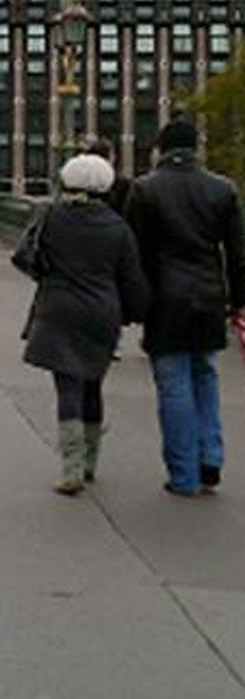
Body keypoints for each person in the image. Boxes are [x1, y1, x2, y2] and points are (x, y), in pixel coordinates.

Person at [16, 153, 149, 494]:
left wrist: (47, 276)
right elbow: (132, 279)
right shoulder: (118, 227)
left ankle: (70, 466)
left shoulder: (51, 217)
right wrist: (134, 313)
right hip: (101, 313)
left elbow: (24, 256)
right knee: (92, 384)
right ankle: (90, 461)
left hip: (58, 309)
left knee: (68, 387)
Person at [126, 118, 245, 497]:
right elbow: (238, 255)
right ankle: (211, 457)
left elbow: (134, 254)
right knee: (205, 374)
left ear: (161, 149)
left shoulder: (145, 190)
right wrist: (237, 301)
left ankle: (184, 475)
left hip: (166, 298)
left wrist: (134, 304)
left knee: (174, 382)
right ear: (196, 148)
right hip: (209, 296)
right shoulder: (223, 189)